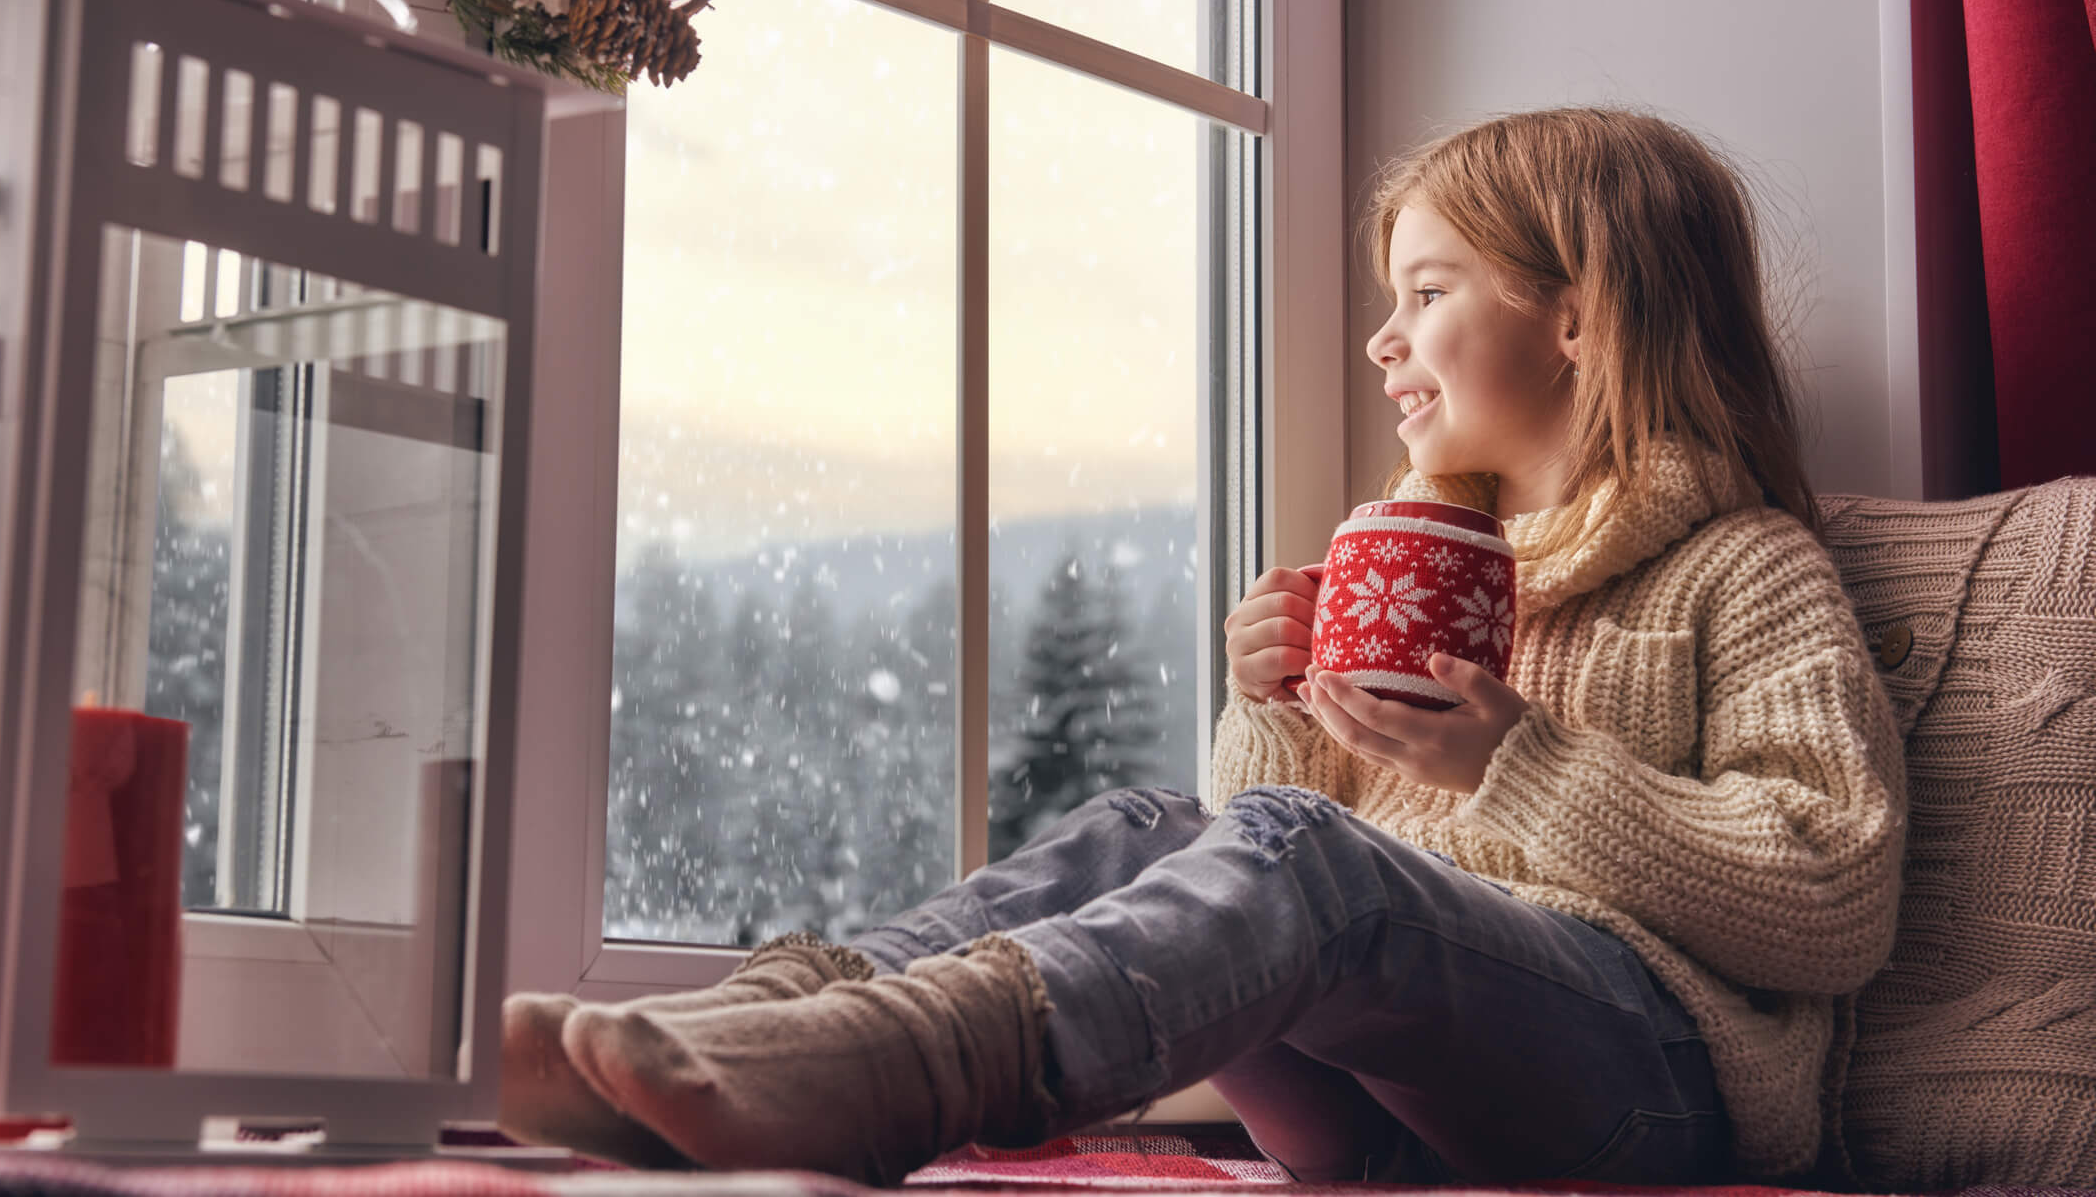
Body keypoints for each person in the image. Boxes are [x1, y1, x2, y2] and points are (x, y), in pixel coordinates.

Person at [496, 106, 1907, 1190]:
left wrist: (1517, 763)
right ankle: (769, 1019)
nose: (1380, 337)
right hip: (1389, 1103)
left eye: (1425, 291)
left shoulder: (1746, 569)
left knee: (1306, 853)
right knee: (1146, 822)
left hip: (1648, 1084)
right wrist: (1278, 706)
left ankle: (900, 1073)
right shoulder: (1427, 556)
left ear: (1580, 317)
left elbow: (1836, 897)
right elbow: (1258, 858)